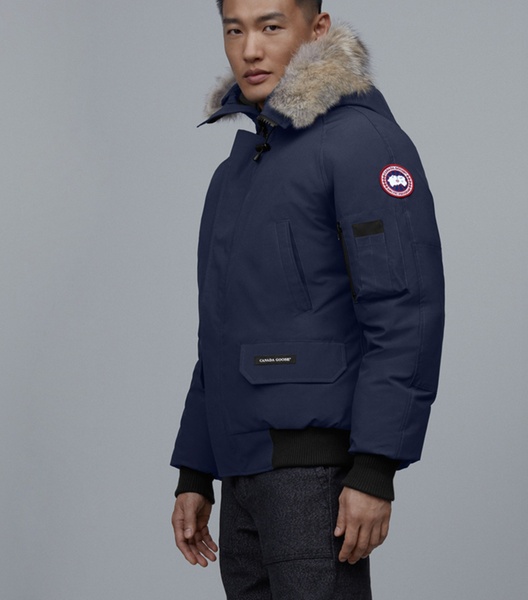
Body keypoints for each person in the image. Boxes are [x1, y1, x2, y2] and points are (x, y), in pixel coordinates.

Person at [170, 0, 445, 598]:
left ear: (318, 29)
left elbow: (405, 311)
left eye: (271, 27)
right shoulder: (236, 172)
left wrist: (375, 466)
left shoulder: (362, 144)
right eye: (234, 30)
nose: (250, 49)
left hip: (316, 474)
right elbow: (221, 328)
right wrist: (196, 467)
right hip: (243, 470)